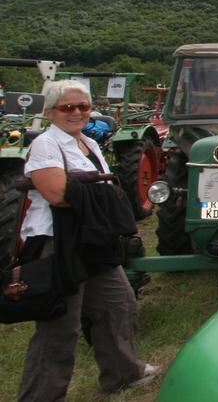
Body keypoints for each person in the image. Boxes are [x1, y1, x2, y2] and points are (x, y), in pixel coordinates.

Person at [19, 80, 159, 398]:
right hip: (59, 241)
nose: (77, 113)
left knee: (117, 305)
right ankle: (42, 396)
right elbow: (56, 193)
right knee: (60, 324)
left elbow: (95, 187)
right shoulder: (46, 145)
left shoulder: (88, 143)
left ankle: (123, 373)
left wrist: (99, 192)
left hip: (93, 236)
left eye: (83, 107)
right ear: (50, 112)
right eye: (68, 107)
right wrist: (107, 195)